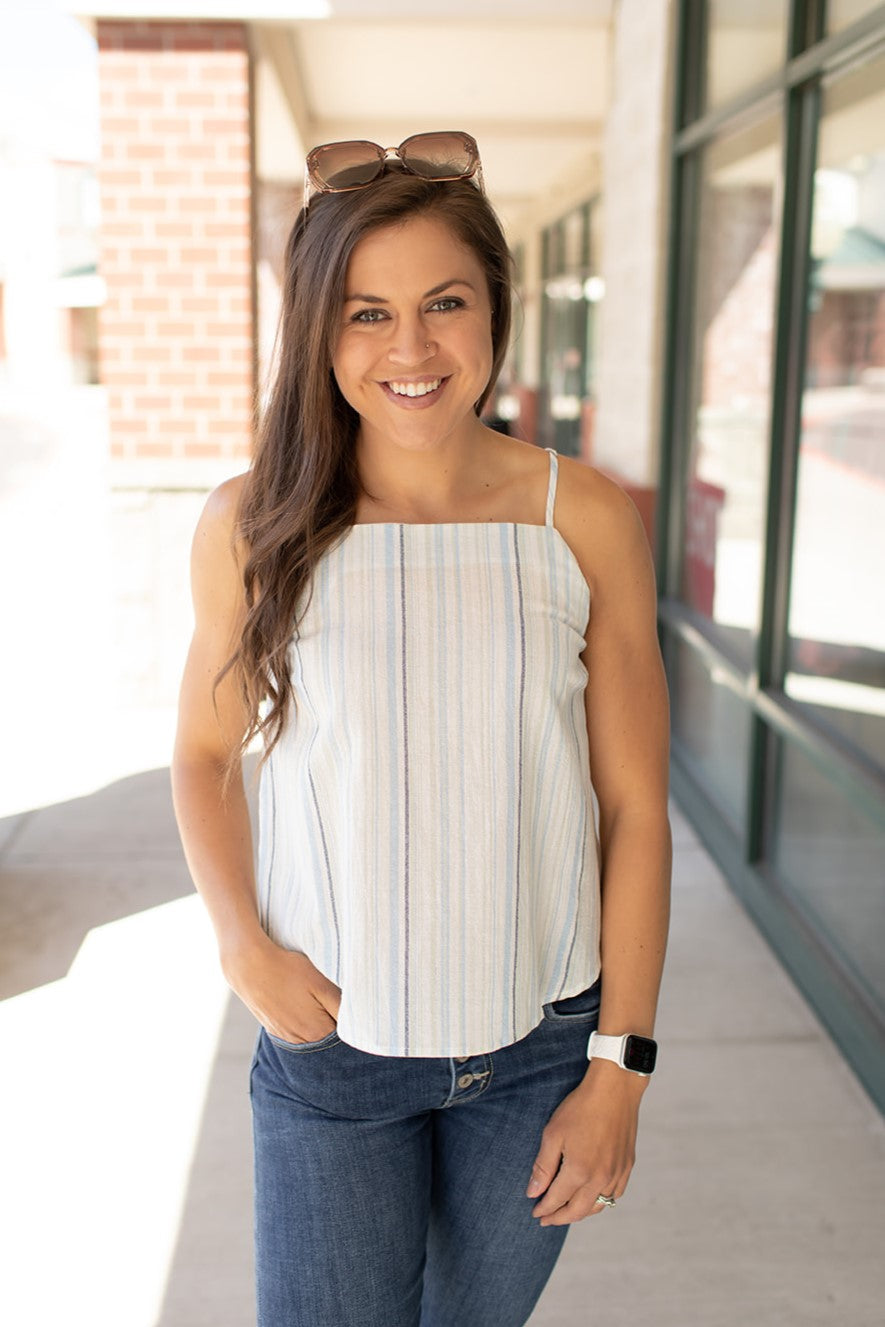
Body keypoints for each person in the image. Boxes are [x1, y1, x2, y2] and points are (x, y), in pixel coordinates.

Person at [171, 130, 671, 1327]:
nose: (410, 349)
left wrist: (622, 1069)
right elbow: (204, 755)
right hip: (335, 1049)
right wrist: (242, 942)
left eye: (444, 303)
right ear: (316, 330)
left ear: (495, 309)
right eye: (365, 313)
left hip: (539, 1049)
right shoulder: (261, 525)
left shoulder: (582, 515)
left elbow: (635, 809)